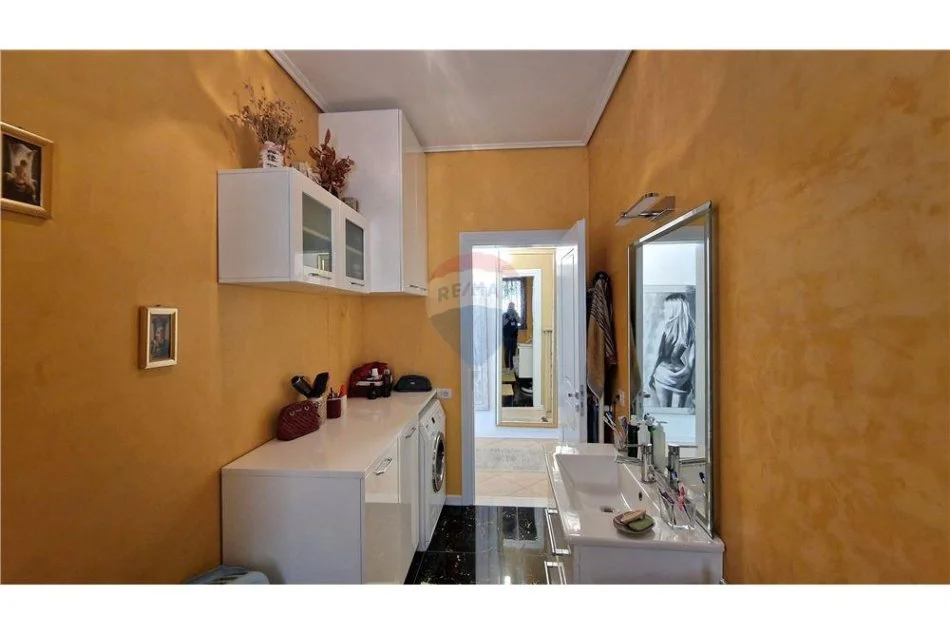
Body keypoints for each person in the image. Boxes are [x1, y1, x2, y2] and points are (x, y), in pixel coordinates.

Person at [649, 293, 695, 408]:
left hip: (663, 373)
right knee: (680, 412)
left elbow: (659, 354)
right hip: (682, 375)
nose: (664, 311)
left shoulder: (665, 328)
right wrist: (688, 378)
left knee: (665, 410)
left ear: (673, 310)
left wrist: (652, 374)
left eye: (666, 308)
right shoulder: (691, 329)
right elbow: (692, 360)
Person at [502, 302, 521, 371]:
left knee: (513, 352)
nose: (511, 308)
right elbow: (503, 323)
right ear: (508, 306)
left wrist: (515, 314)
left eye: (513, 306)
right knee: (507, 352)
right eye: (510, 306)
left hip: (514, 337)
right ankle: (507, 367)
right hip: (506, 337)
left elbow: (520, 321)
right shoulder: (504, 315)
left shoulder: (515, 314)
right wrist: (509, 318)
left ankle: (512, 367)